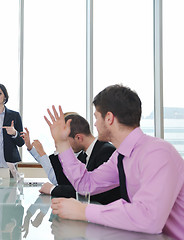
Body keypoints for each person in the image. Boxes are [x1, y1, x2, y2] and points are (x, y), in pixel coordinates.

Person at [46, 84, 184, 239]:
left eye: (96, 117)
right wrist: (63, 143)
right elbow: (85, 184)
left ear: (109, 118)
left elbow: (148, 217)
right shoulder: (120, 155)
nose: (95, 124)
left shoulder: (158, 153)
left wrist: (83, 211)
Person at [22, 114, 120, 205]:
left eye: (66, 140)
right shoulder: (83, 154)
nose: (66, 146)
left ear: (78, 138)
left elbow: (92, 192)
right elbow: (66, 182)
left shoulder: (106, 151)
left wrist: (53, 189)